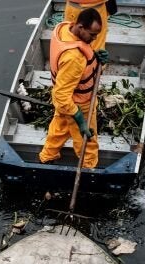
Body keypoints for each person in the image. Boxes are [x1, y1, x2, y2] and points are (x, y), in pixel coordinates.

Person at [38, 8, 107, 168]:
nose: (95, 38)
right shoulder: (74, 58)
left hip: (65, 101)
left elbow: (62, 93)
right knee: (87, 143)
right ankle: (89, 170)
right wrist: (81, 120)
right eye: (92, 35)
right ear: (81, 27)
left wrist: (95, 57)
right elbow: (61, 96)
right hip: (79, 104)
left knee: (58, 132)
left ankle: (46, 159)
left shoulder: (64, 29)